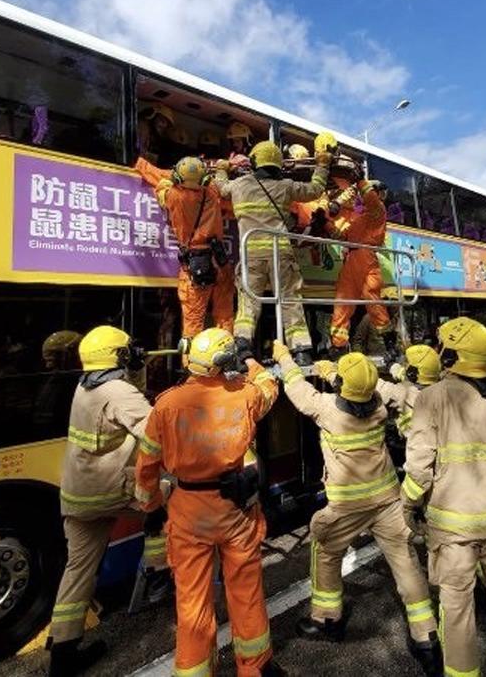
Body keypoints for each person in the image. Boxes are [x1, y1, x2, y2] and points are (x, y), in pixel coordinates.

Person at [274, 342, 442, 674]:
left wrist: (283, 356)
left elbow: (295, 386)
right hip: (388, 500)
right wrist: (336, 372)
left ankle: (326, 619)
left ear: (340, 388)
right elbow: (365, 387)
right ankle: (426, 637)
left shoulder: (326, 408)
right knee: (406, 563)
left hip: (347, 506)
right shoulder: (379, 406)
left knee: (325, 551)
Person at [134, 328, 285, 677]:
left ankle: (194, 670)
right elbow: (269, 389)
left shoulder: (166, 404)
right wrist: (250, 361)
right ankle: (255, 666)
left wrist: (152, 505)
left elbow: (147, 467)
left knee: (192, 601)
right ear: (225, 362)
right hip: (235, 510)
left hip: (188, 511)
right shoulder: (244, 395)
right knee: (246, 589)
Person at [402, 317, 486, 677]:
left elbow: (420, 465)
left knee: (457, 611)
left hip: (453, 533)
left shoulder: (431, 398)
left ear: (453, 356)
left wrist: (410, 505)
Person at [47, 326, 167, 677]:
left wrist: (138, 369)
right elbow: (156, 432)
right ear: (119, 357)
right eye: (129, 351)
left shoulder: (87, 384)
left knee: (78, 571)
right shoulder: (118, 391)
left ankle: (63, 650)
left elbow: (130, 395)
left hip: (77, 494)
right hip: (110, 490)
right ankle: (160, 572)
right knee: (178, 498)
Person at [213, 137, 332, 367]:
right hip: (281, 254)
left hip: (251, 256)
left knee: (248, 303)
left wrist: (221, 169)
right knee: (289, 301)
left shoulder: (239, 185)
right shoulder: (286, 186)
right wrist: (323, 165)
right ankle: (302, 351)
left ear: (255, 162)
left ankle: (242, 348)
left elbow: (222, 188)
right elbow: (315, 190)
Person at [136, 156, 231, 340]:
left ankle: (194, 366)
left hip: (196, 265)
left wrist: (141, 164)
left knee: (193, 322)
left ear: (178, 178)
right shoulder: (212, 191)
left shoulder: (172, 195)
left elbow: (160, 179)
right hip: (220, 261)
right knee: (224, 316)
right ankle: (227, 357)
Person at [327, 178, 399, 360]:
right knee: (342, 304)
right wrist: (324, 222)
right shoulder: (359, 216)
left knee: (373, 300)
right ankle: (338, 346)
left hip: (365, 258)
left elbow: (370, 198)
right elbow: (342, 236)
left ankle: (390, 344)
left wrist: (360, 180)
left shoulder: (377, 209)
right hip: (351, 259)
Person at [377, 344, 443, 438]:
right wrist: (392, 366)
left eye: (406, 363)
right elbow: (411, 377)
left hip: (410, 443)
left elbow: (372, 384)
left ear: (411, 373)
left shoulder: (401, 394)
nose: (405, 364)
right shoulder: (439, 385)